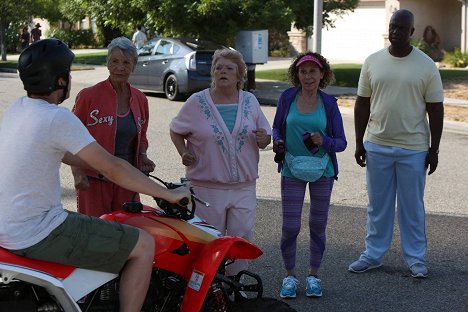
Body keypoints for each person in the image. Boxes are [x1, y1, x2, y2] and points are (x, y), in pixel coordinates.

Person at [0, 39, 191, 312]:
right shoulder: (56, 118)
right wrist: (168, 194)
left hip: (9, 228)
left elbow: (64, 154)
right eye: (67, 72)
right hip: (39, 231)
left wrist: (104, 166)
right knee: (143, 244)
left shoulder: (18, 109)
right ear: (60, 80)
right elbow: (112, 166)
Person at [349, 9, 444, 278]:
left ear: (412, 32)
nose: (396, 32)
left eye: (402, 28)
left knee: (411, 206)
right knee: (377, 205)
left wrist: (433, 150)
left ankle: (416, 259)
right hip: (377, 144)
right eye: (392, 26)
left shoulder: (425, 65)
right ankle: (373, 254)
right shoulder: (373, 62)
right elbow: (362, 103)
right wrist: (359, 142)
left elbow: (436, 109)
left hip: (413, 149)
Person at [169, 48, 272, 277]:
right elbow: (176, 130)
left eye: (229, 68)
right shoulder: (197, 102)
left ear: (239, 76)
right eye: (218, 67)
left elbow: (265, 135)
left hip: (244, 186)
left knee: (240, 238)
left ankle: (236, 285)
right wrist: (183, 151)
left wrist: (265, 138)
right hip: (207, 187)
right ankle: (209, 288)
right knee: (209, 240)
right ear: (212, 74)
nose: (222, 71)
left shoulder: (250, 101)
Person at [272, 52, 347, 298]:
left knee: (317, 225)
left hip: (323, 170)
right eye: (303, 72)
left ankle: (314, 275)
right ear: (297, 75)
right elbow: (276, 128)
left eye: (312, 71)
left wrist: (323, 140)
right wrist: (278, 141)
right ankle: (290, 276)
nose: (308, 76)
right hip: (292, 168)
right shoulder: (287, 98)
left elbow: (341, 143)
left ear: (322, 74)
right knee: (290, 226)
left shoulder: (329, 103)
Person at [71, 36, 155, 217]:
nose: (120, 67)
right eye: (114, 61)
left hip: (128, 180)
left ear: (133, 66)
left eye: (126, 62)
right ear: (107, 64)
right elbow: (70, 137)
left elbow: (142, 136)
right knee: (95, 233)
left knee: (128, 232)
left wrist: (143, 156)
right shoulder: (88, 96)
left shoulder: (140, 99)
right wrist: (77, 172)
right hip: (94, 180)